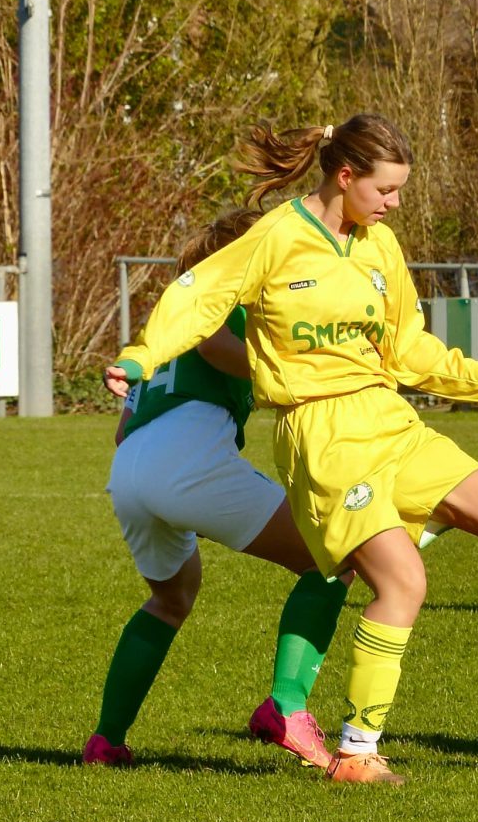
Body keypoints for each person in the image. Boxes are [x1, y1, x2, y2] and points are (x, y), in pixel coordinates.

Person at [103, 114, 478, 785]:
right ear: (345, 175)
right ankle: (358, 751)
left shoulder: (379, 245)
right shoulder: (274, 237)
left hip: (389, 421)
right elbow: (197, 297)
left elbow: (408, 349)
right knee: (401, 582)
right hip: (321, 435)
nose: (393, 204)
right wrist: (140, 355)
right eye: (386, 189)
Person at [86, 209, 352, 771]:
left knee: (172, 597)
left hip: (130, 468)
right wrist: (289, 375)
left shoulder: (169, 324)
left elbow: (121, 426)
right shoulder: (226, 295)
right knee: (334, 559)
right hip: (187, 459)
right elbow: (213, 346)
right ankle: (286, 707)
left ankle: (105, 742)